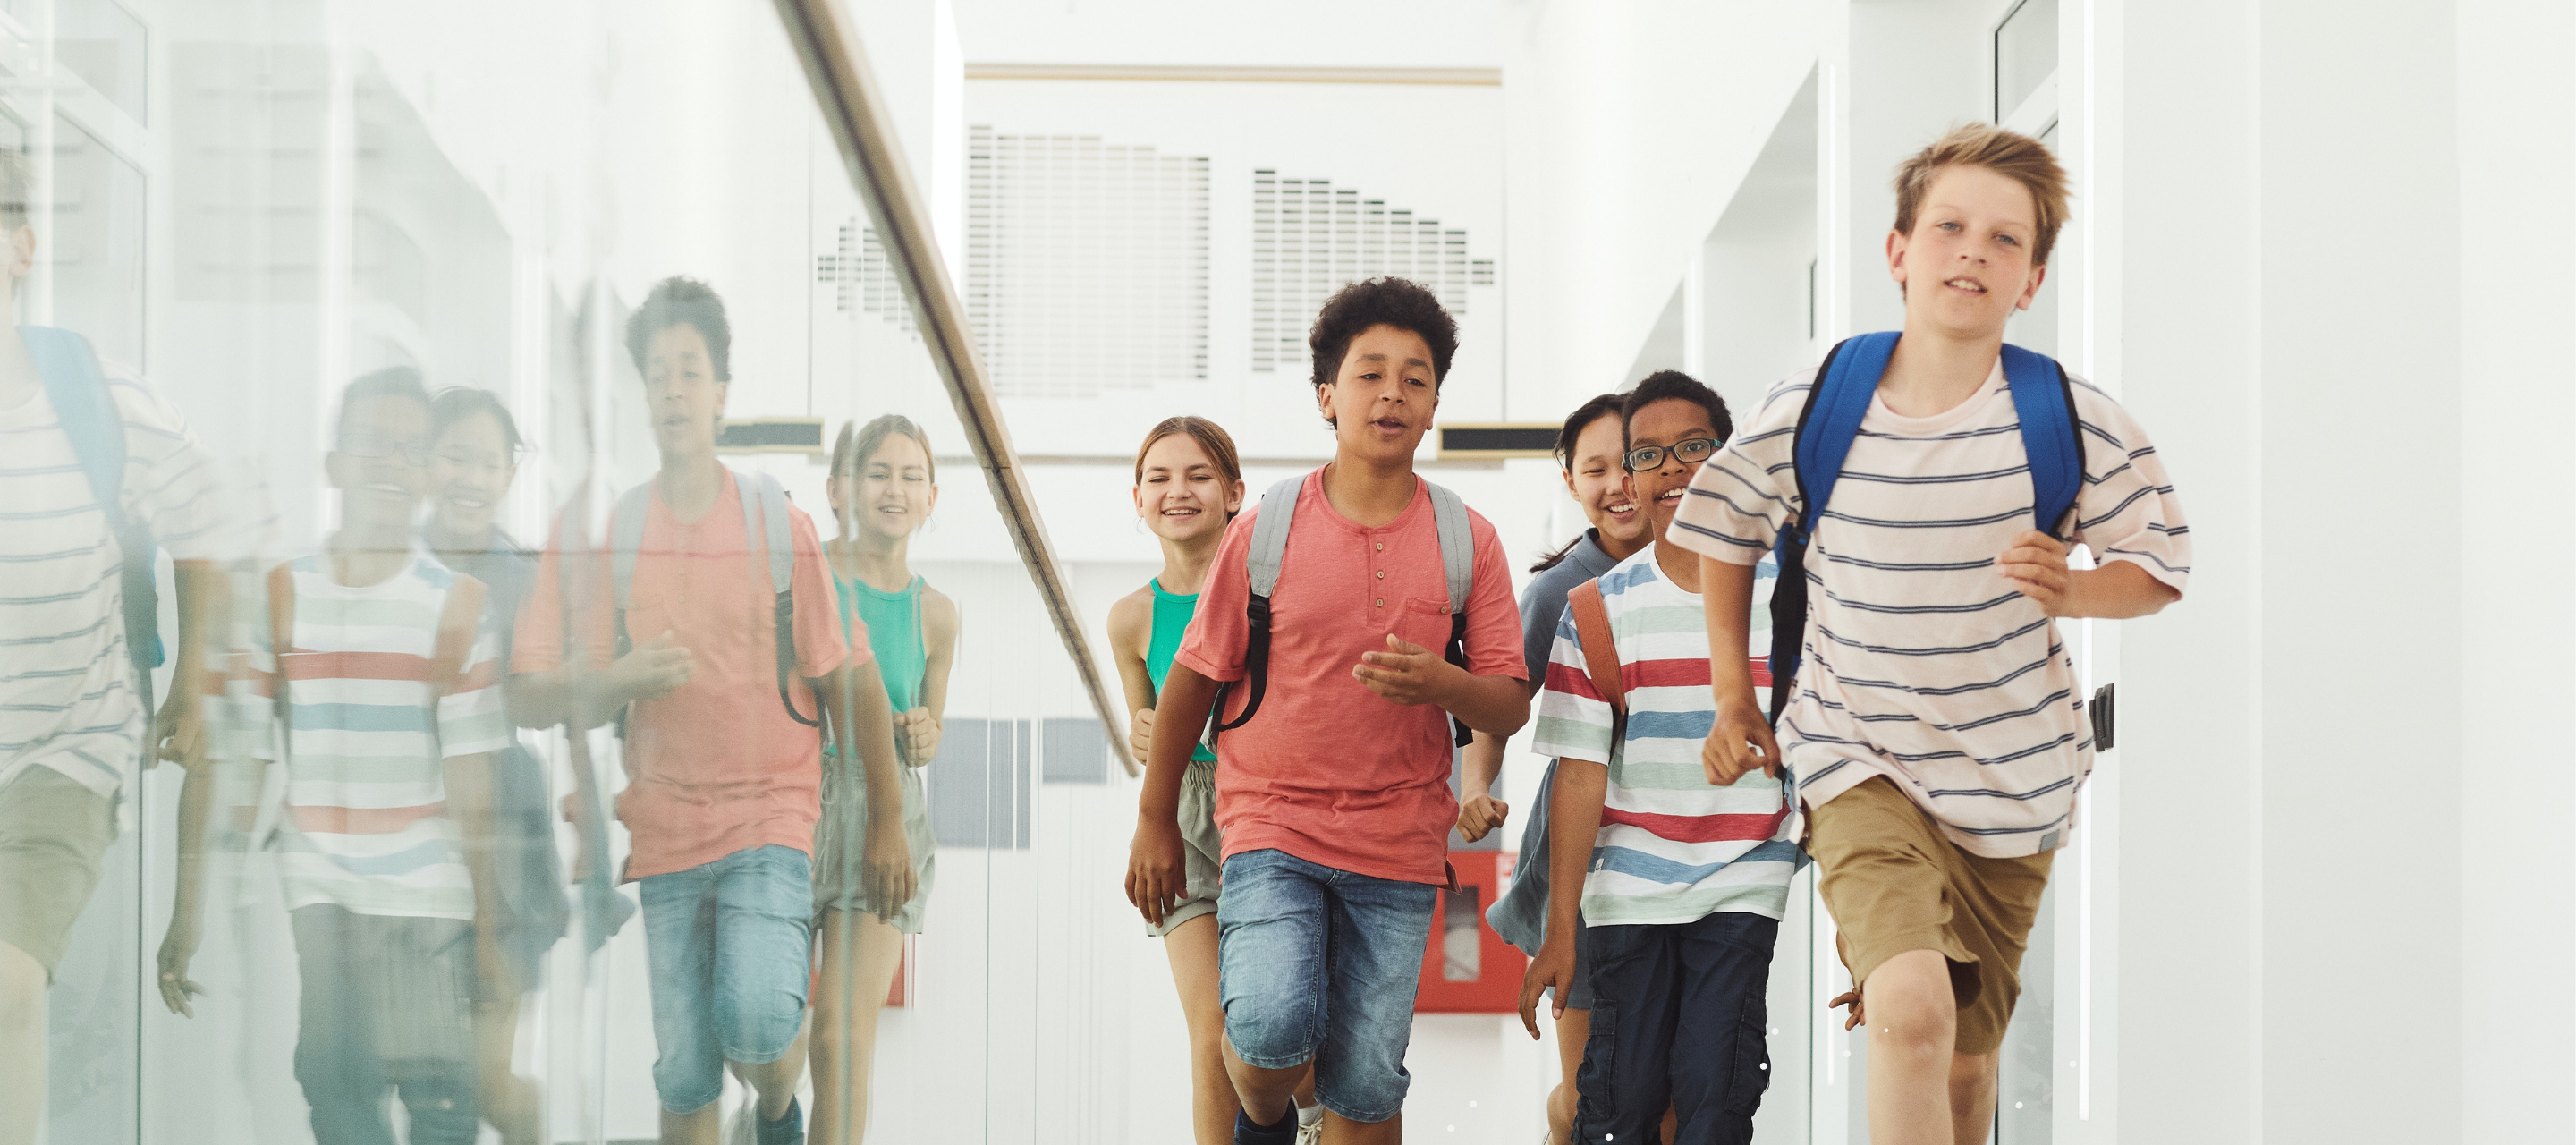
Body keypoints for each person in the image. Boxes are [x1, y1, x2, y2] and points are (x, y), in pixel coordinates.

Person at [1674, 125, 2190, 1145]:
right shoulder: (1820, 399)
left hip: (2014, 775)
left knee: (1964, 1061)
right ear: (1898, 249)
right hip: (1854, 749)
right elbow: (1723, 531)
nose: (1972, 252)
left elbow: (2160, 569)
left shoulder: (2071, 418)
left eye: (2004, 240)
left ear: (2032, 277)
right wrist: (1736, 692)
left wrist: (2076, 591)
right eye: (1949, 226)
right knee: (1911, 1011)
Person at [1125, 277, 1530, 1145]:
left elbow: (1509, 698)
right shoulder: (1265, 527)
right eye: (1370, 373)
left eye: (1415, 379)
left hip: (1399, 846)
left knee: (1366, 1081)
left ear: (1432, 408)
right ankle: (1266, 1119)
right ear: (1326, 396)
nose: (1392, 392)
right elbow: (1194, 678)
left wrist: (1443, 684)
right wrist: (1155, 815)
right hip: (1271, 821)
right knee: (1267, 1029)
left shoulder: (1471, 539)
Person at [509, 276, 909, 1145]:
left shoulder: (774, 522)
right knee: (686, 1070)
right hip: (663, 828)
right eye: (658, 373)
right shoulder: (602, 527)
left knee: (759, 1021)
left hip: (771, 813)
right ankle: (753, 1102)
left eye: (690, 370)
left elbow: (853, 678)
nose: (674, 388)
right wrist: (616, 679)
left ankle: (773, 1104)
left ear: (721, 392)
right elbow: (528, 689)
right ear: (641, 396)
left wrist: (884, 823)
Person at [0, 146, 225, 1145]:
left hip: (65, 744)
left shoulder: (92, 388)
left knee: (6, 981)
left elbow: (202, 515)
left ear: (21, 246)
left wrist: (192, 682)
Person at [1517, 371, 1798, 1145]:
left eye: (1694, 447)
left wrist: (1852, 924)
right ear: (1631, 474)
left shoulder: (1786, 602)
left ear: (1729, 459)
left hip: (1744, 879)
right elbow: (1580, 774)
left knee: (1716, 1096)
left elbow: (1824, 763)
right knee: (1619, 1106)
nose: (1672, 467)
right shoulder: (1595, 609)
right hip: (1626, 893)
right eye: (1648, 453)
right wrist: (1561, 932)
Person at [241, 368, 513, 1145]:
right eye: (370, 444)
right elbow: (252, 753)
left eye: (410, 449)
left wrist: (488, 928)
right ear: (332, 464)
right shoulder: (282, 594)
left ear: (428, 472)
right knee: (332, 1077)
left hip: (425, 893)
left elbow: (472, 778)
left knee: (437, 1096)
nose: (391, 464)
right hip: (321, 883)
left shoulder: (457, 604)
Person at [1107, 417, 1325, 1145]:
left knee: (1282, 1043)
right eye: (1160, 478)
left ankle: (1310, 1117)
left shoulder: (1277, 592)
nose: (1179, 491)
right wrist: (1145, 732)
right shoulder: (1130, 618)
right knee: (1211, 1035)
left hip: (1272, 814)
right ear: (1137, 498)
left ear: (1234, 494)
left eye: (1198, 476)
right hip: (1189, 823)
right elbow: (1149, 738)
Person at [1467, 393, 1648, 1145]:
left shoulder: (1718, 579)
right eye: (1596, 468)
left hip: (1678, 845)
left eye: (1632, 463)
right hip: (1583, 844)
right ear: (1570, 481)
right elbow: (1502, 699)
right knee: (1585, 1100)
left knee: (1663, 1096)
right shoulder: (1559, 590)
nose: (1619, 484)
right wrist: (1477, 786)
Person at [422, 387, 568, 1145]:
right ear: (423, 460)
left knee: (484, 1081)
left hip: (502, 835)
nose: (471, 478)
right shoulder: (387, 562)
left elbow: (560, 697)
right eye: (456, 456)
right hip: (404, 827)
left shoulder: (526, 575)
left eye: (489, 462)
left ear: (509, 474)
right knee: (427, 1087)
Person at [807, 413, 957, 1144]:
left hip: (884, 814)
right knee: (769, 1033)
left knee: (840, 1037)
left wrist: (926, 731)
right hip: (794, 796)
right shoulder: (811, 581)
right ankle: (769, 1110)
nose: (895, 489)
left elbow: (924, 735)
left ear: (933, 496)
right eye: (878, 473)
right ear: (841, 490)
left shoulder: (938, 614)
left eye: (910, 475)